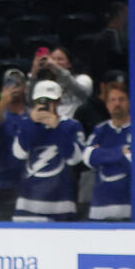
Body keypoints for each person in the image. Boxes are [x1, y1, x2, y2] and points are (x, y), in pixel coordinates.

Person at [10, 80, 85, 221]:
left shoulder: (71, 125)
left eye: (50, 101)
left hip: (61, 203)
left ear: (59, 101)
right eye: (41, 101)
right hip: (28, 203)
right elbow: (19, 154)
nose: (45, 105)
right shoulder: (26, 123)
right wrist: (32, 124)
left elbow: (74, 159)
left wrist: (57, 127)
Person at [85, 77, 135, 221]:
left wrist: (102, 154)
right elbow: (88, 157)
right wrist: (121, 152)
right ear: (107, 104)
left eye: (121, 99)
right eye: (112, 100)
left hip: (134, 211)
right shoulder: (100, 129)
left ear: (129, 102)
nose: (117, 103)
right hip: (99, 210)